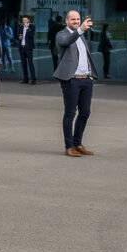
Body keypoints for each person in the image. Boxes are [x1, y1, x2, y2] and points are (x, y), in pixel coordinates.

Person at [54, 9, 98, 157]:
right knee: (70, 113)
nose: (76, 22)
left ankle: (78, 143)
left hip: (86, 79)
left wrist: (90, 76)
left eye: (78, 19)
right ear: (66, 21)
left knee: (85, 112)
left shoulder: (81, 35)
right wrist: (80, 30)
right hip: (71, 80)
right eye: (73, 19)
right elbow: (66, 41)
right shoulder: (62, 34)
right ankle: (69, 146)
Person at [18, 15, 36, 84]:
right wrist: (19, 37)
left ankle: (33, 79)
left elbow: (31, 35)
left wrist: (27, 28)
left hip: (29, 48)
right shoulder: (20, 27)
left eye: (25, 20)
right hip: (22, 47)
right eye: (23, 20)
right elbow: (17, 35)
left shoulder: (32, 27)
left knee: (30, 63)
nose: (24, 21)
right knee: (23, 64)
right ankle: (25, 79)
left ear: (28, 20)